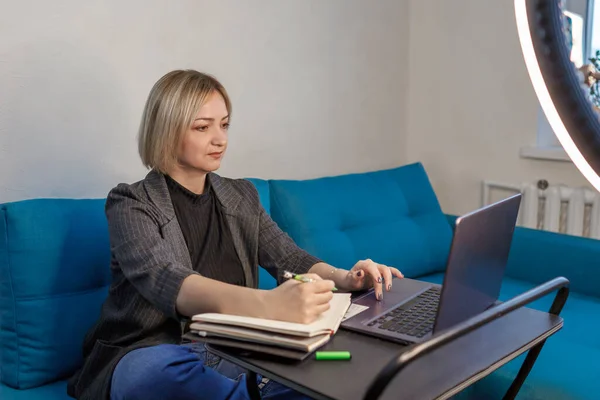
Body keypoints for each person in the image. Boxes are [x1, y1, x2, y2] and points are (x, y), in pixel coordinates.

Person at [66, 69, 404, 400]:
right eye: (202, 127)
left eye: (224, 124)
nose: (220, 139)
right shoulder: (131, 201)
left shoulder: (241, 196)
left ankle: (251, 389)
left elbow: (289, 258)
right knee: (154, 372)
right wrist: (269, 304)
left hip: (234, 349)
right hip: (152, 350)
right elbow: (164, 279)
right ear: (166, 131)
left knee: (346, 365)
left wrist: (345, 278)